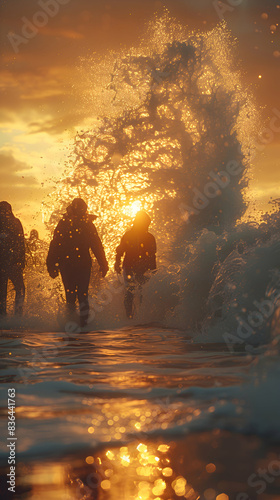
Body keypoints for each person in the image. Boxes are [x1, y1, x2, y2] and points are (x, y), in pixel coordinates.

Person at [46, 198, 109, 327]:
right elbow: (55, 245)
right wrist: (51, 264)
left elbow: (96, 245)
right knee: (79, 295)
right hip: (76, 264)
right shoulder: (69, 224)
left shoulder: (74, 223)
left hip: (75, 265)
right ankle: (80, 326)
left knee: (75, 295)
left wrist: (103, 264)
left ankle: (76, 325)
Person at [114, 210, 157, 318]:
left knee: (142, 292)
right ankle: (129, 317)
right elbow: (120, 251)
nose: (146, 226)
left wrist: (154, 271)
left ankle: (139, 317)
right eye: (145, 224)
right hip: (129, 268)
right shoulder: (129, 235)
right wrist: (117, 263)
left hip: (143, 269)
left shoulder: (149, 237)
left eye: (148, 224)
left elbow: (152, 256)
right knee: (130, 292)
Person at [0, 201, 25, 316]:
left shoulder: (14, 222)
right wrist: (22, 260)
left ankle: (3, 315)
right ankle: (18, 314)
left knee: (2, 291)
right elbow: (21, 243)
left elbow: (20, 242)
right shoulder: (15, 222)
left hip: (6, 262)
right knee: (20, 289)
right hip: (13, 262)